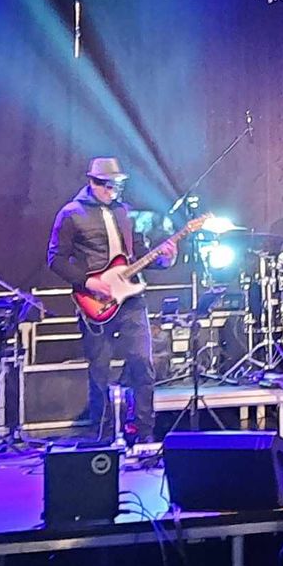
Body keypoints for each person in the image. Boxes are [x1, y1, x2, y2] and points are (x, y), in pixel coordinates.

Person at [46, 158, 178, 444]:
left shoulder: (124, 212)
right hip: (95, 301)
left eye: (117, 186)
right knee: (100, 370)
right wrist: (88, 282)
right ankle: (103, 436)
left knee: (142, 362)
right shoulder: (71, 213)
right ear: (92, 182)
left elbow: (139, 254)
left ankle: (144, 433)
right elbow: (55, 259)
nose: (112, 191)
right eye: (107, 186)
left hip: (130, 299)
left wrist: (165, 259)